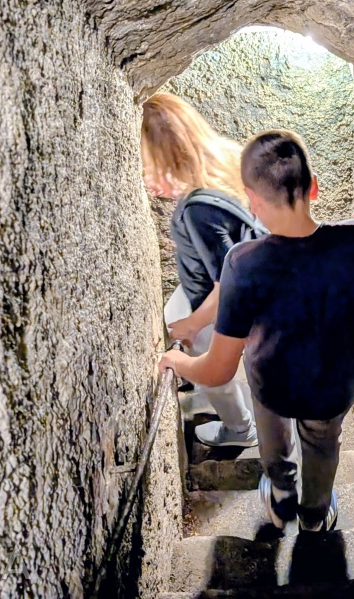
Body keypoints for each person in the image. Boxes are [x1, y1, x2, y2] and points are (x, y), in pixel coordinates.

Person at [159, 129, 354, 532]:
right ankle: (315, 513)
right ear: (315, 188)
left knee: (274, 444)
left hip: (271, 383)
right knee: (323, 446)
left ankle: (281, 496)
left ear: (252, 201)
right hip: (332, 385)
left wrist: (178, 360)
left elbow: (219, 370)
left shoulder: (242, 262)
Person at [140, 92, 259, 448]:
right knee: (175, 312)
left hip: (230, 301)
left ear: (167, 157)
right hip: (235, 288)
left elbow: (230, 283)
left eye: (148, 166)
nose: (145, 178)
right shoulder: (224, 163)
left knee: (212, 370)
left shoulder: (197, 210)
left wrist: (193, 325)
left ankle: (240, 430)